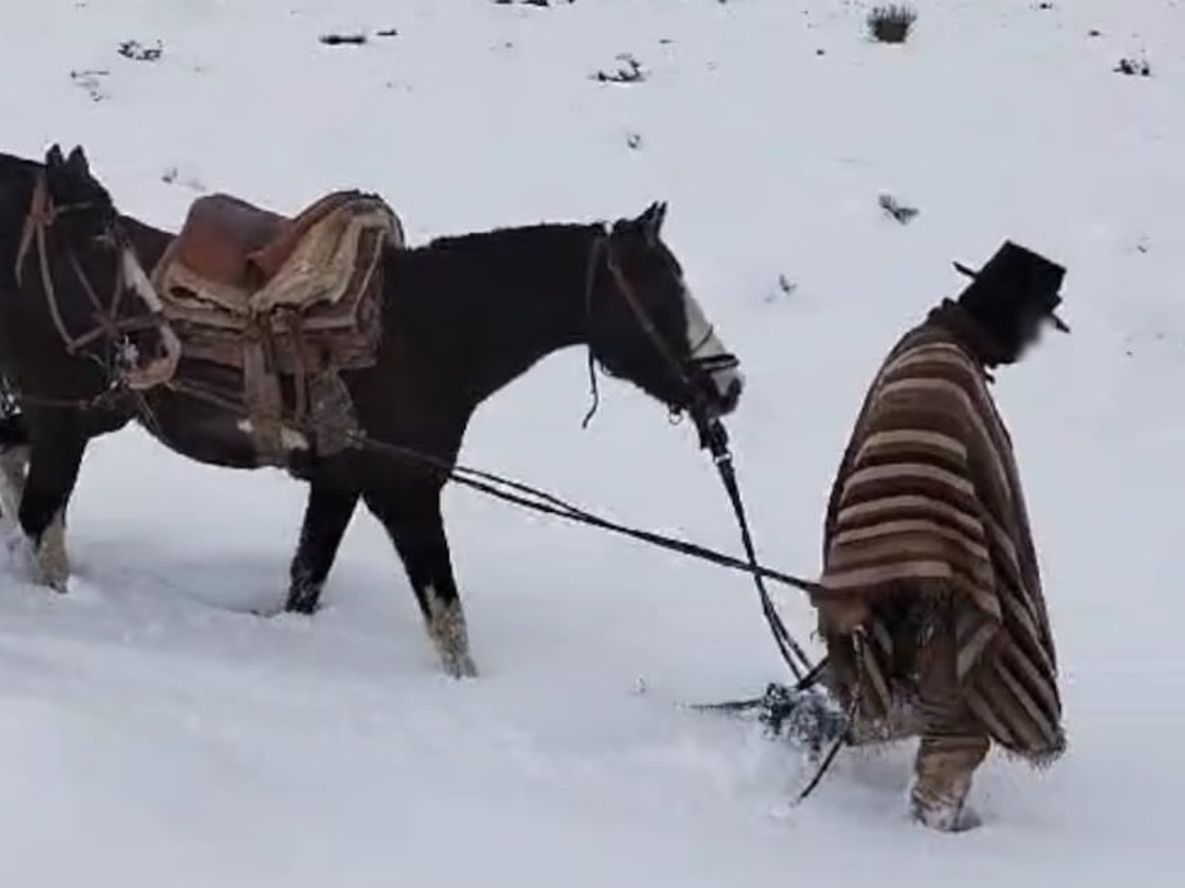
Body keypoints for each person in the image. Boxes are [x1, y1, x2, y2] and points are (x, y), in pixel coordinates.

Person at [813, 241, 1067, 831]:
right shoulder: (943, 369)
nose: (1031, 344)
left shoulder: (933, 352)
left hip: (911, 575)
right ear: (1006, 311)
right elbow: (908, 477)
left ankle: (829, 723)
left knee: (916, 691)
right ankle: (933, 824)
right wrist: (933, 566)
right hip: (929, 588)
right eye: (1032, 326)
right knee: (965, 698)